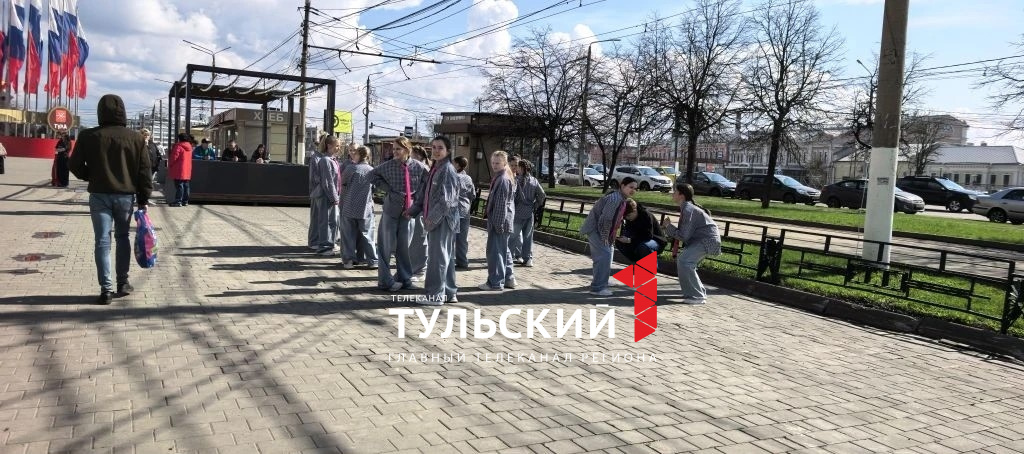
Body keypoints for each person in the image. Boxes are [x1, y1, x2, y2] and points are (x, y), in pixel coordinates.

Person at [68, 94, 153, 305]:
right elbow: (144, 171)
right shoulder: (136, 138)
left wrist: (92, 176)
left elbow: (74, 165)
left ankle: (105, 290)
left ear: (100, 112)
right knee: (122, 238)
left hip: (99, 195)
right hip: (125, 196)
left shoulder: (88, 136)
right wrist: (143, 198)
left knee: (102, 241)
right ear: (122, 112)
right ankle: (122, 283)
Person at [407, 136, 460, 304]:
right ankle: (449, 293)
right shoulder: (436, 168)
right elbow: (425, 193)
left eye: (440, 148)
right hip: (437, 219)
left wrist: (432, 219)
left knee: (438, 258)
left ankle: (435, 295)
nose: (436, 151)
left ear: (448, 151)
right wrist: (413, 210)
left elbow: (446, 200)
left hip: (442, 220)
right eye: (434, 147)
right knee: (445, 257)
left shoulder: (447, 170)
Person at [371, 137, 426, 292]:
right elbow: (371, 175)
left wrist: (418, 198)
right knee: (385, 247)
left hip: (409, 212)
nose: (394, 152)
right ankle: (385, 281)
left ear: (407, 150)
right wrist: (387, 188)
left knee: (404, 248)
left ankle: (405, 279)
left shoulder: (419, 167)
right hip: (391, 211)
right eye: (393, 149)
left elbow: (428, 183)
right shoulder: (388, 165)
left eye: (398, 149)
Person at [661, 182, 721, 305]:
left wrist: (668, 226)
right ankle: (696, 293)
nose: (672, 194)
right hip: (706, 240)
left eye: (675, 192)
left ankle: (696, 296)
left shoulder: (688, 210)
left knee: (685, 262)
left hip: (706, 240)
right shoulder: (687, 208)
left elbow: (683, 236)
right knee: (686, 262)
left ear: (681, 195)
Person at [580, 177, 638, 296]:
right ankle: (597, 288)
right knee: (604, 255)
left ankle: (603, 281)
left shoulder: (621, 198)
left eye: (635, 188)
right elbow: (605, 219)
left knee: (608, 253)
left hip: (602, 230)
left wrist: (611, 235)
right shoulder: (615, 199)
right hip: (596, 229)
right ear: (622, 186)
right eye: (631, 187)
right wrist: (605, 236)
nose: (633, 190)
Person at [479, 151, 516, 291]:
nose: (494, 165)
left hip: (499, 222)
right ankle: (508, 279)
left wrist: (498, 225)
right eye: (493, 162)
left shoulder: (503, 179)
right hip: (502, 221)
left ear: (504, 163)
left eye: (498, 163)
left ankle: (495, 283)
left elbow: (501, 205)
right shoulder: (502, 177)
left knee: (495, 253)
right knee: (503, 251)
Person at [339, 145, 378, 269]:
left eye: (355, 153)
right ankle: (372, 260)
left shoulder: (350, 169)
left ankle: (349, 260)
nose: (353, 156)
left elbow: (343, 187)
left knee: (348, 236)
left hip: (349, 206)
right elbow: (375, 189)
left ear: (359, 155)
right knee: (367, 235)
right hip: (365, 208)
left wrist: (341, 204)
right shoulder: (372, 170)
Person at [510, 160, 546, 267]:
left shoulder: (516, 180)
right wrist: (535, 205)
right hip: (529, 212)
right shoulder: (534, 181)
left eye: (518, 167)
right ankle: (528, 258)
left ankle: (509, 256)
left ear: (521, 168)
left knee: (513, 237)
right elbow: (542, 195)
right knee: (528, 237)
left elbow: (511, 196)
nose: (516, 169)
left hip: (517, 212)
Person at [311, 136, 341, 255]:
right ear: (329, 145)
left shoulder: (332, 159)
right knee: (326, 221)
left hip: (330, 195)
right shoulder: (325, 160)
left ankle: (330, 244)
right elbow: (328, 181)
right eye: (337, 146)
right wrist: (334, 197)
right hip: (326, 195)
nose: (339, 148)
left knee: (332, 221)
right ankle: (324, 247)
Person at [615, 199, 667, 269]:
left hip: (656, 241)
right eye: (625, 217)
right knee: (619, 243)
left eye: (628, 216)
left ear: (635, 210)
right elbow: (629, 232)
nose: (627, 218)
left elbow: (648, 236)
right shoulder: (629, 218)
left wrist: (629, 240)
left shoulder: (646, 215)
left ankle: (652, 268)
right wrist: (623, 238)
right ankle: (639, 263)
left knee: (644, 246)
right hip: (640, 241)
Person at [407, 141, 430, 281]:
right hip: (415, 206)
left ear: (419, 156)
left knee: (419, 238)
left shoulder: (423, 169)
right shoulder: (416, 168)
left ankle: (420, 269)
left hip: (421, 208)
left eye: (412, 155)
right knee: (415, 238)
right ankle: (414, 267)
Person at [453, 156, 475, 269]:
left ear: (457, 165)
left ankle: (448, 260)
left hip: (454, 210)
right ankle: (462, 261)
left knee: (450, 237)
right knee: (462, 238)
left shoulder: (453, 177)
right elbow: (473, 195)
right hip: (465, 209)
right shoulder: (468, 178)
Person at [307, 140, 324, 250]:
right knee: (315, 217)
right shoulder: (316, 158)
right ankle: (313, 241)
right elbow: (314, 177)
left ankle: (319, 240)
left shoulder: (322, 157)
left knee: (321, 218)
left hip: (322, 191)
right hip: (317, 192)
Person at [167, 133, 193, 207]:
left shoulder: (178, 146)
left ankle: (178, 201)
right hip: (187, 169)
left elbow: (174, 157)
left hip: (179, 169)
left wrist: (170, 164)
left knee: (179, 186)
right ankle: (185, 201)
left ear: (179, 139)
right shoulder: (190, 147)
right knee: (186, 185)